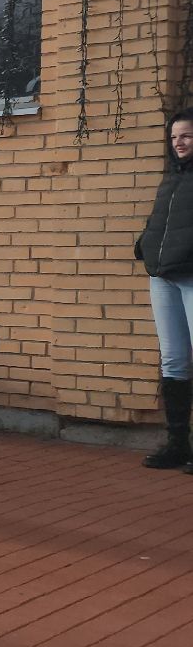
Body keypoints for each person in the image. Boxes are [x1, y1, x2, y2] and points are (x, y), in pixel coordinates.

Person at [136, 108, 193, 470]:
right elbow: (160, 221)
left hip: (190, 275)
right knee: (173, 360)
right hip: (162, 277)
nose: (179, 143)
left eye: (186, 136)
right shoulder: (170, 179)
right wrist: (144, 245)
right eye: (174, 138)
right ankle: (177, 444)